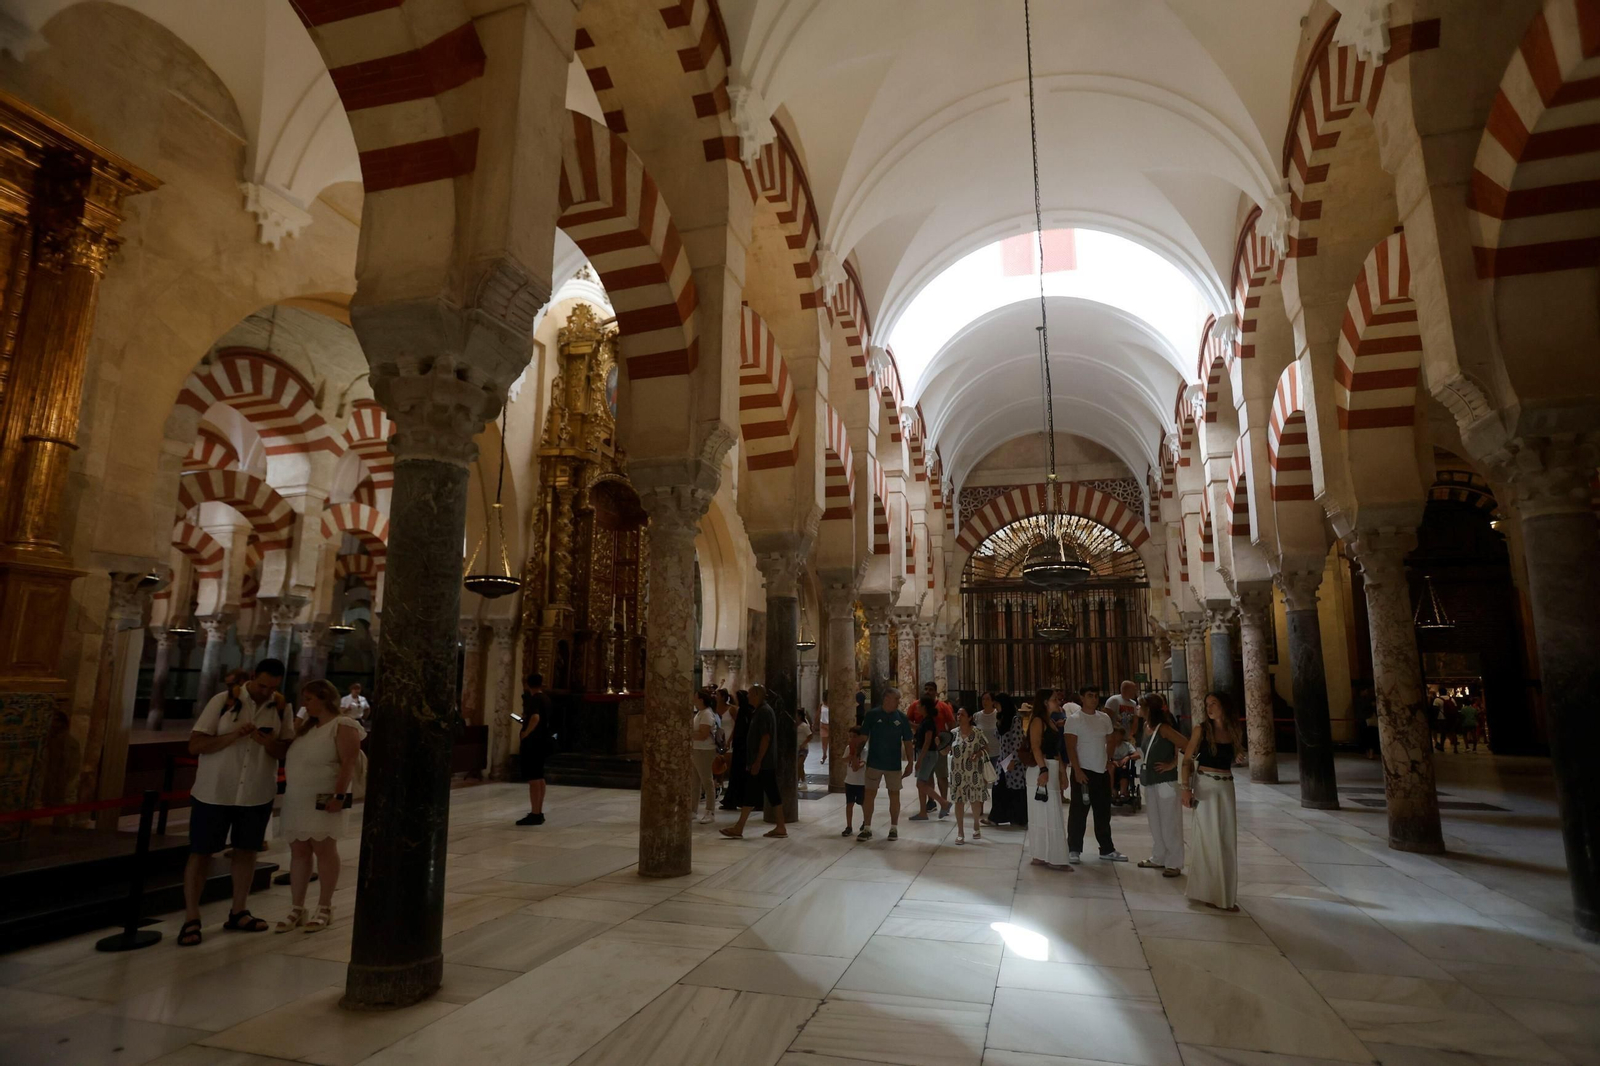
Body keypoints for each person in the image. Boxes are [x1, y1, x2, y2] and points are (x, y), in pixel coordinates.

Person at [178, 659, 293, 947]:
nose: (266, 692)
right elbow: (196, 745)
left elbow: (284, 750)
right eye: (262, 685)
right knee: (202, 852)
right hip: (215, 791)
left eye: (272, 688)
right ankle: (192, 917)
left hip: (255, 791)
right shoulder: (222, 701)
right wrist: (233, 736)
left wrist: (266, 742)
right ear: (252, 677)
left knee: (246, 851)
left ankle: (239, 910)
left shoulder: (281, 707)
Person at [273, 679, 362, 933]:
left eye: (309, 699)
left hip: (325, 796)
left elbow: (348, 762)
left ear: (324, 698)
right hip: (298, 796)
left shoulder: (343, 725)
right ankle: (296, 907)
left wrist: (339, 795)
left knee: (324, 848)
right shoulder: (305, 727)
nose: (305, 704)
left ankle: (324, 906)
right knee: (299, 850)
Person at [1181, 691, 1241, 911]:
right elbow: (1187, 761)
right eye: (1207, 704)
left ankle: (1224, 894)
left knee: (1225, 839)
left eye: (1214, 704)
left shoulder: (1233, 730)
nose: (1209, 708)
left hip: (1226, 786)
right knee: (1208, 838)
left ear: (1224, 706)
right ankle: (1207, 891)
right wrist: (1185, 789)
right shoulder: (1201, 730)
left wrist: (1239, 755)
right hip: (1205, 785)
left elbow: (1232, 756)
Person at [1065, 685, 1127, 863]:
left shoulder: (1104, 718)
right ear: (1082, 698)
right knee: (1079, 811)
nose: (1094, 699)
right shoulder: (1075, 719)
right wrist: (1076, 770)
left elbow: (1111, 739)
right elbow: (1070, 747)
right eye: (1090, 695)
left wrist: (1108, 759)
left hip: (1101, 770)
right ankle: (1074, 848)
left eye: (1096, 695)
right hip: (1083, 771)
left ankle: (1106, 849)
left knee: (1103, 812)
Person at [722, 684, 786, 839]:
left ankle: (779, 827)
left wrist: (757, 761)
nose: (748, 696)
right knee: (757, 794)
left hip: (763, 762)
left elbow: (765, 738)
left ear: (757, 694)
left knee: (770, 793)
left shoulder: (764, 711)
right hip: (762, 762)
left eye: (750, 694)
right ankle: (741, 827)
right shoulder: (761, 710)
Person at [1135, 693, 1187, 877]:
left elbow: (1186, 744)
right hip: (1150, 780)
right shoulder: (1145, 726)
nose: (1137, 709)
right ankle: (1159, 856)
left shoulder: (1163, 728)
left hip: (1165, 781)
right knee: (1155, 822)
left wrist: (1173, 764)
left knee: (1169, 822)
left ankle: (1174, 862)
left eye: (1140, 705)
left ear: (1149, 708)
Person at [857, 687, 914, 841]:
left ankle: (894, 828)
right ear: (887, 699)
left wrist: (910, 762)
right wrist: (855, 756)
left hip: (893, 764)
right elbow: (863, 738)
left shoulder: (901, 718)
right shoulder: (872, 715)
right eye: (897, 699)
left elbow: (908, 742)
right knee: (869, 794)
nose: (899, 702)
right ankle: (867, 827)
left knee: (894, 794)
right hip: (874, 762)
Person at [1026, 692, 1071, 869]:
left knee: (1051, 812)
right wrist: (1043, 770)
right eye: (1053, 699)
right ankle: (1051, 857)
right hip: (1041, 768)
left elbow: (1057, 750)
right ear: (1045, 702)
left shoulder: (1051, 721)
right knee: (1045, 813)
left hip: (1050, 766)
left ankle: (1044, 854)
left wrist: (1062, 773)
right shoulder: (1038, 721)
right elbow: (1036, 746)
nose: (1057, 701)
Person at [948, 706, 991, 844]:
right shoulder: (953, 733)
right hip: (957, 773)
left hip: (973, 772)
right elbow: (945, 752)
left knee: (975, 800)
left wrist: (978, 754)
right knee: (959, 801)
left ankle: (976, 825)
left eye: (962, 714)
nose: (959, 717)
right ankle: (960, 832)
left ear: (969, 717)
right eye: (958, 714)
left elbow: (986, 748)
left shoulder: (977, 732)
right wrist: (940, 745)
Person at [909, 682, 955, 812]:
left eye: (931, 689)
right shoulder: (916, 706)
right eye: (926, 689)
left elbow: (951, 724)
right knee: (927, 776)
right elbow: (908, 721)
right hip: (923, 745)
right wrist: (918, 728)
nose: (928, 691)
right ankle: (931, 801)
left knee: (941, 774)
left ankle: (943, 801)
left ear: (936, 692)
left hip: (938, 746)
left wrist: (948, 742)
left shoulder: (943, 707)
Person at [989, 692, 1028, 827]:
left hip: (1013, 763)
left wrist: (1014, 760)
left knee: (1015, 791)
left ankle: (1017, 819)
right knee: (999, 789)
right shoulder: (1001, 719)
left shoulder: (1014, 720)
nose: (995, 706)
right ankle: (996, 817)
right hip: (1002, 761)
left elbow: (1017, 742)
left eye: (997, 703)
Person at [517, 673, 551, 826]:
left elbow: (536, 718)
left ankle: (535, 813)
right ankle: (538, 810)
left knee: (533, 779)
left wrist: (526, 732)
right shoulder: (546, 699)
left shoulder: (535, 699)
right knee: (540, 777)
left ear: (527, 684)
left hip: (533, 742)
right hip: (543, 741)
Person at [721, 690, 753, 811]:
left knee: (738, 773)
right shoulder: (744, 712)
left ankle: (736, 799)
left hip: (742, 748)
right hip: (739, 747)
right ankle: (732, 799)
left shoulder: (744, 712)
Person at [690, 690, 718, 823]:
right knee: (695, 781)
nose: (693, 700)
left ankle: (710, 811)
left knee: (707, 780)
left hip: (705, 750)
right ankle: (692, 810)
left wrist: (687, 734)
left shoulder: (707, 713)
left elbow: (703, 735)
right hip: (697, 749)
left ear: (701, 700)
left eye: (695, 697)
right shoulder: (700, 713)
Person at [840, 726, 866, 837]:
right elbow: (844, 760)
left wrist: (855, 753)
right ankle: (849, 826)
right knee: (849, 804)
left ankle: (866, 822)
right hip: (849, 781)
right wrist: (851, 753)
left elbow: (856, 767)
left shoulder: (865, 751)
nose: (852, 739)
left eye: (854, 737)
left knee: (863, 804)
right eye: (850, 737)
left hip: (861, 783)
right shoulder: (848, 748)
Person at [1110, 732, 1138, 805]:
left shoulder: (1127, 745)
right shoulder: (1109, 745)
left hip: (1124, 764)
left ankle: (1123, 791)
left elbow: (1137, 755)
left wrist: (1128, 757)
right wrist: (1113, 761)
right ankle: (1112, 791)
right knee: (1111, 769)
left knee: (1124, 769)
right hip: (1112, 764)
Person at [796, 708, 813, 784]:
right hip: (797, 749)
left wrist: (804, 744)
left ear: (799, 716)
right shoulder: (795, 725)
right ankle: (800, 780)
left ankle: (802, 781)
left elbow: (810, 736)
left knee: (799, 764)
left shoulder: (804, 726)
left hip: (803, 749)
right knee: (800, 766)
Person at [819, 688, 831, 765]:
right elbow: (818, 713)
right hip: (823, 725)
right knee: (824, 743)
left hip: (831, 725)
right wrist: (815, 724)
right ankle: (824, 755)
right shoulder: (821, 705)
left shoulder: (833, 704)